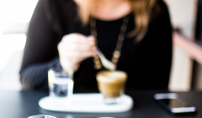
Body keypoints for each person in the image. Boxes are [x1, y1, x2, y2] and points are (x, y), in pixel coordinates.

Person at [20, 0, 172, 93]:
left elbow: (158, 90)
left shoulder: (156, 11)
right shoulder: (56, 4)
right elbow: (27, 78)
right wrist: (64, 65)